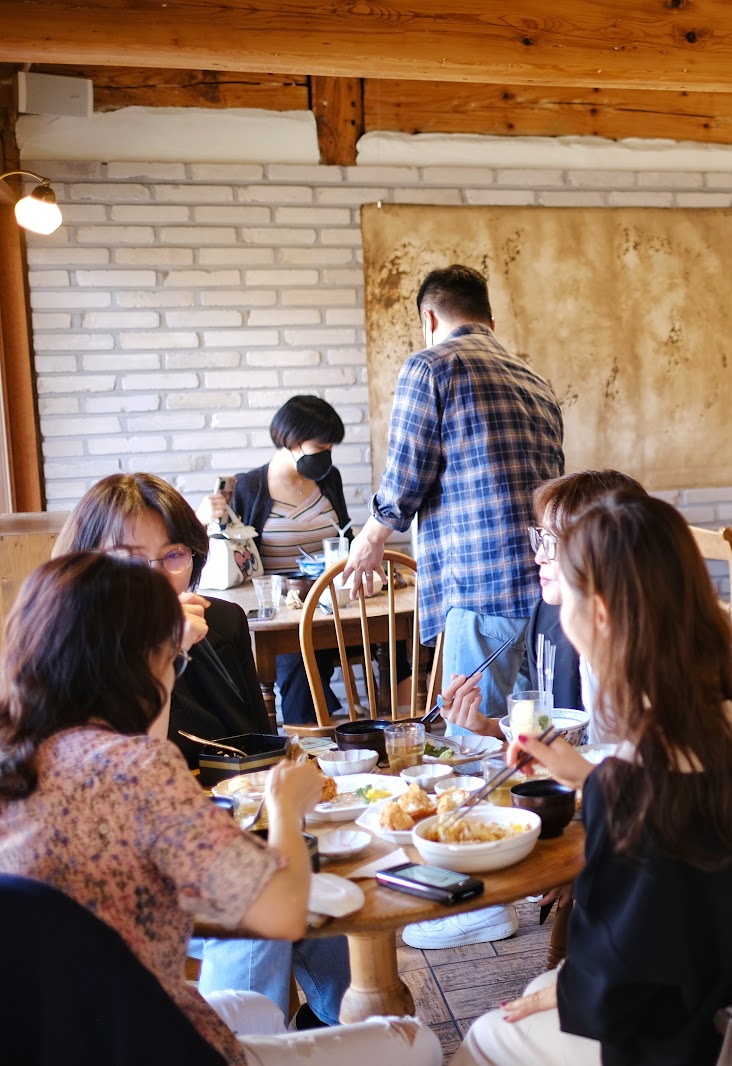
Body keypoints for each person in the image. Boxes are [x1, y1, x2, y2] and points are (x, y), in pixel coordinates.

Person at [0, 552, 438, 1066]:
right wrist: (286, 809)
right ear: (138, 667)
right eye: (172, 660)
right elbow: (282, 914)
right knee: (417, 1041)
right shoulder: (136, 767)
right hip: (153, 1043)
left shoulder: (16, 752)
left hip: (58, 1036)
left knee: (258, 1008)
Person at [450, 492, 732, 1066]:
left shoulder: (638, 787)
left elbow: (619, 988)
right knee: (542, 990)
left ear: (600, 613)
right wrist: (590, 777)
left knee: (488, 1033)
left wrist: (571, 984)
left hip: (700, 1040)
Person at [55, 472, 352, 1030]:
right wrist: (164, 654)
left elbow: (251, 738)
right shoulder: (78, 653)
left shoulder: (225, 620)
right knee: (264, 925)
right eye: (129, 557)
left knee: (334, 891)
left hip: (237, 822)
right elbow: (136, 772)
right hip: (156, 853)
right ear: (88, 562)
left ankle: (340, 1024)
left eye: (173, 555)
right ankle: (255, 1037)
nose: (157, 576)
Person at [345, 263, 570, 951]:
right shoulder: (535, 381)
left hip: (480, 586)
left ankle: (479, 902)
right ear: (490, 320)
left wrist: (369, 541)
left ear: (430, 318)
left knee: (475, 746)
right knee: (521, 744)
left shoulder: (432, 366)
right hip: (545, 594)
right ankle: (528, 878)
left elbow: (405, 477)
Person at [434, 469, 645, 743]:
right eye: (540, 539)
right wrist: (484, 726)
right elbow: (549, 728)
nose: (539, 557)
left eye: (553, 542)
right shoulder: (547, 618)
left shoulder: (643, 641)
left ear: (604, 549)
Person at [204, 394, 351, 726]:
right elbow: (231, 554)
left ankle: (401, 738)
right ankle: (312, 748)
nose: (327, 454)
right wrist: (208, 519)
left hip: (333, 601)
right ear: (293, 441)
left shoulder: (329, 478)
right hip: (284, 612)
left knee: (393, 642)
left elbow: (345, 537)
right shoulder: (250, 487)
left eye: (331, 447)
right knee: (299, 661)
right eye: (321, 446)